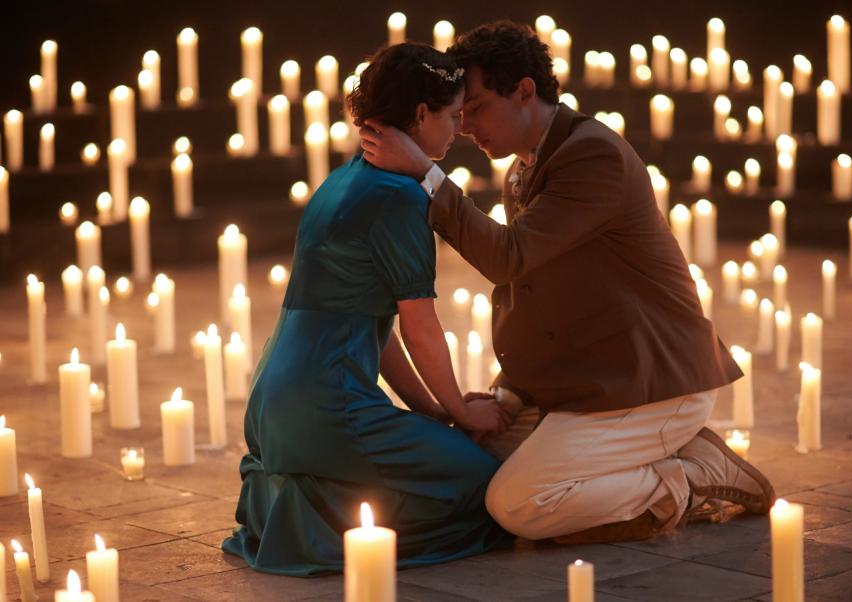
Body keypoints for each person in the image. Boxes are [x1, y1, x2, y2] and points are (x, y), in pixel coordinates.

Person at [359, 21, 776, 543]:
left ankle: (693, 476)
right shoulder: (525, 166)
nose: (464, 126)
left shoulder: (591, 155)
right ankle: (672, 457)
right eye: (459, 111)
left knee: (518, 505)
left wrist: (427, 174)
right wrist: (509, 394)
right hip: (589, 379)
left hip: (652, 382)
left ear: (526, 91)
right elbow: (537, 296)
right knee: (475, 460)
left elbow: (509, 259)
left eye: (478, 106)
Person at [222, 42, 513, 576]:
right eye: (452, 117)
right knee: (486, 485)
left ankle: (296, 504)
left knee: (425, 467)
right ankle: (311, 528)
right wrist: (464, 411)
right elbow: (419, 330)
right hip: (325, 405)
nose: (458, 131)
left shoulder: (342, 180)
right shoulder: (398, 198)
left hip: (272, 401)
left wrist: (432, 411)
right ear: (421, 114)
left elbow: (374, 332)